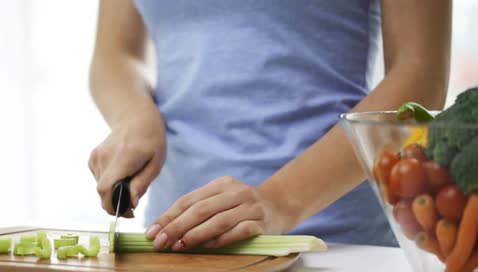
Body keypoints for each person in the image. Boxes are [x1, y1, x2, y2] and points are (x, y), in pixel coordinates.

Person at [88, 0, 451, 251]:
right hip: (178, 240)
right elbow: (115, 53)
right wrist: (134, 115)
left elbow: (420, 74)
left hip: (336, 245)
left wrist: (278, 201)